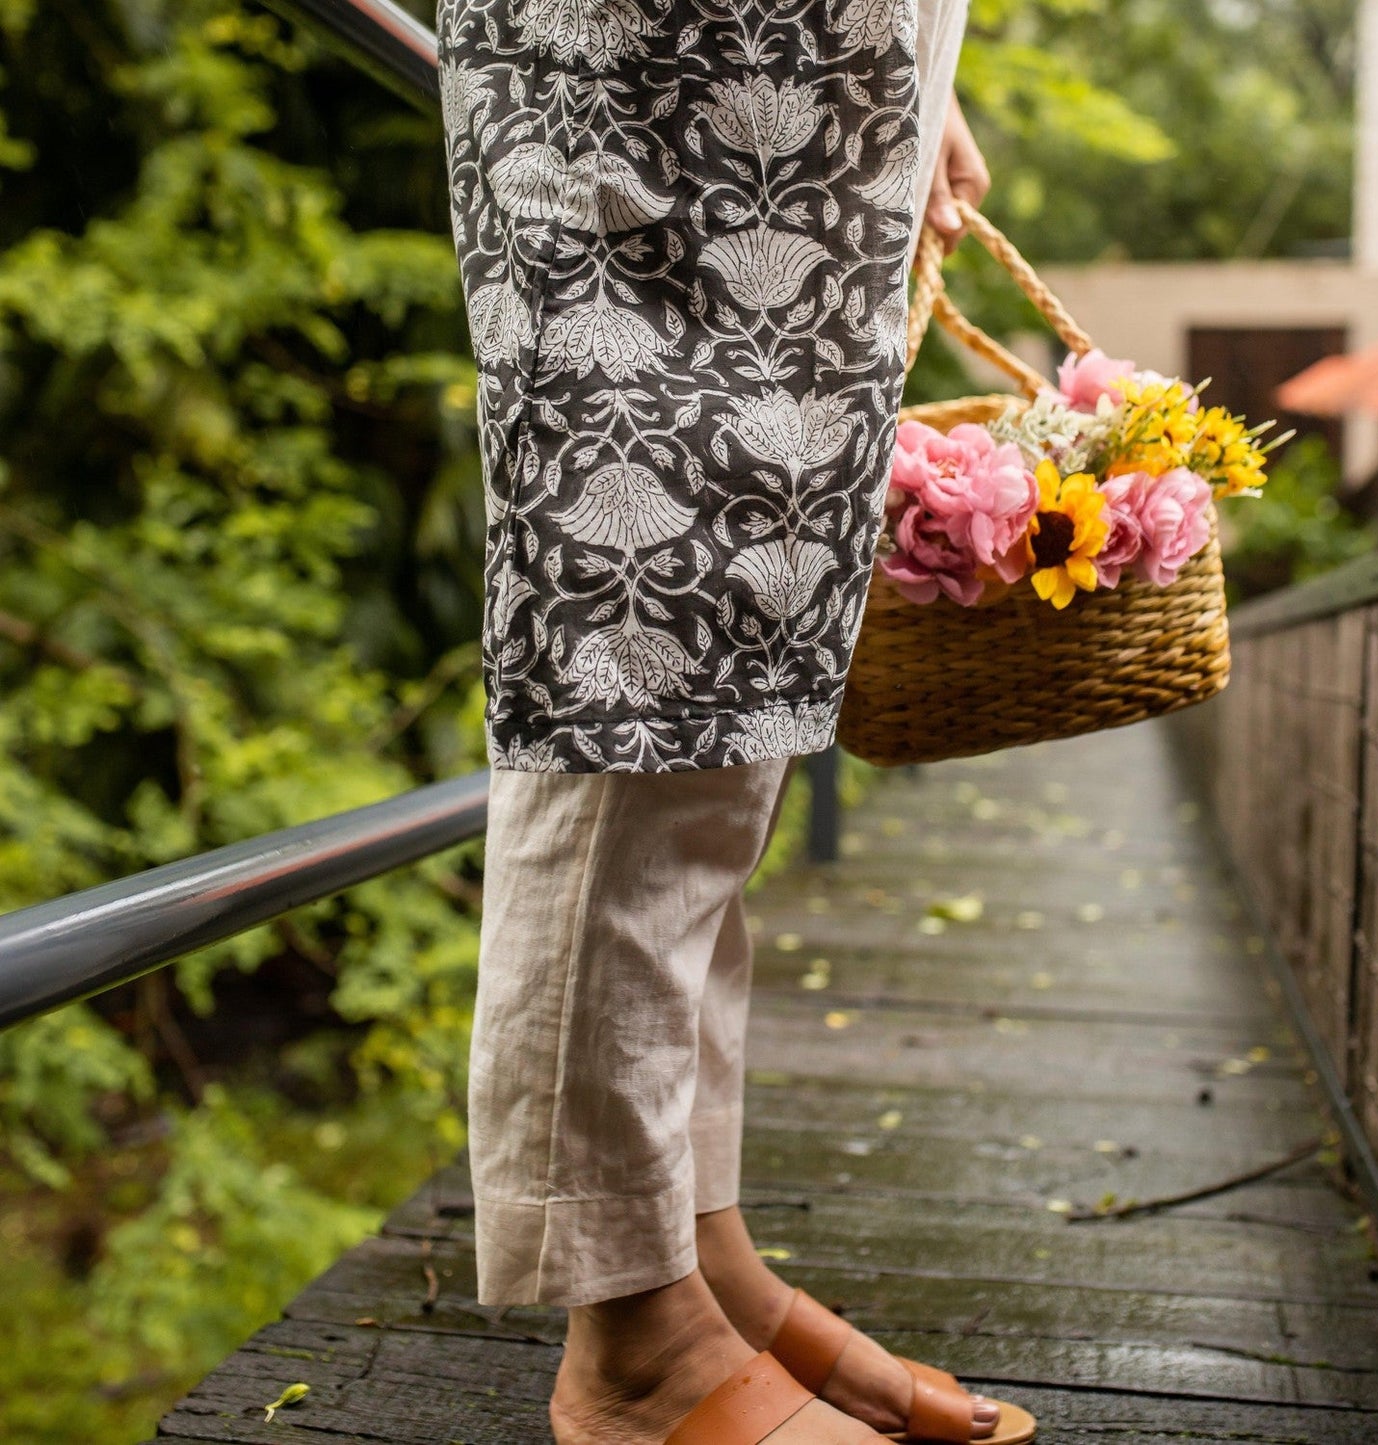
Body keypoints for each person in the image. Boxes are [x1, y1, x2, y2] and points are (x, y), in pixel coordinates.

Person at [438, 0, 1035, 1438]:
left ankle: (695, 1249)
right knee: (633, 658)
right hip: (665, 59)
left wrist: (920, 67)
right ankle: (633, 1332)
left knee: (737, 690)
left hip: (821, 79)